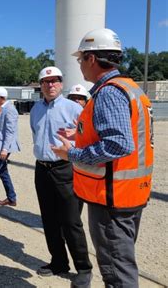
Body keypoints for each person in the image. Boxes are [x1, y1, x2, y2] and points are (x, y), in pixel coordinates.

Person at [52, 28, 154, 288]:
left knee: (117, 272)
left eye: (80, 59)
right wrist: (81, 135)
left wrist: (71, 153)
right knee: (121, 263)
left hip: (112, 200)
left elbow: (119, 145)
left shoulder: (108, 93)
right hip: (129, 193)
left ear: (92, 59)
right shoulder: (131, 89)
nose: (80, 65)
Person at [30, 66, 93, 287]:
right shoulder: (36, 109)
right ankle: (58, 262)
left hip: (65, 169)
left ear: (62, 83)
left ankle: (84, 268)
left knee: (70, 221)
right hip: (42, 169)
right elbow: (35, 134)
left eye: (55, 80)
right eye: (46, 81)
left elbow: (87, 138)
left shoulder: (74, 109)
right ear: (41, 85)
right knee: (49, 219)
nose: (50, 85)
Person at [0, 86, 20, 206]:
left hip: (4, 147)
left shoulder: (10, 110)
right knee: (3, 172)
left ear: (0, 98)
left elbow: (10, 131)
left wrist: (5, 150)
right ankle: (11, 198)